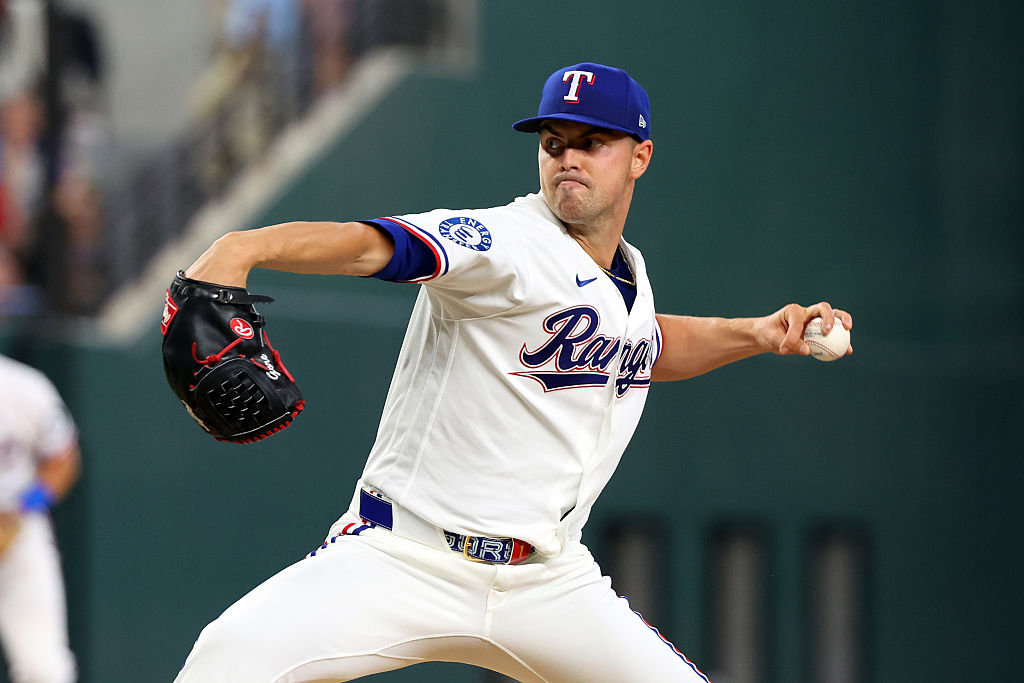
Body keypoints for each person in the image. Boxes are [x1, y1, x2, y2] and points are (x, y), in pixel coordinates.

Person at [172, 62, 853, 682]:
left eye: (592, 143)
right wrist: (246, 244)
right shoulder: (503, 241)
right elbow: (371, 246)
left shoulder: (628, 279)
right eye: (554, 142)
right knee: (226, 661)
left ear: (640, 156)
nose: (568, 159)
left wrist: (757, 333)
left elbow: (644, 344)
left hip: (549, 582)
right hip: (406, 557)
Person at [0, 352, 81, 683]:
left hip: (18, 531)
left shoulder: (22, 386)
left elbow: (63, 459)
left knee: (44, 668)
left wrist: (25, 508)